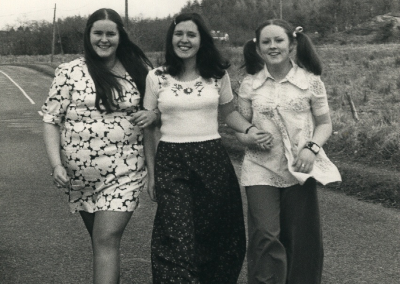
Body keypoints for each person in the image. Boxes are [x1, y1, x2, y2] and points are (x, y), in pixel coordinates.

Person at [143, 13, 270, 284]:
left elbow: (230, 114)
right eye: (179, 34)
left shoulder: (216, 75)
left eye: (191, 35)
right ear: (171, 38)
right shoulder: (156, 77)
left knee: (217, 233)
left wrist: (249, 130)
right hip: (171, 160)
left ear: (202, 40)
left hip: (211, 158)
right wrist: (152, 175)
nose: (184, 40)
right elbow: (149, 126)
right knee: (176, 236)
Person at [42, 8, 155, 284]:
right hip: (79, 178)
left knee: (106, 238)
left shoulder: (141, 72)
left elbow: (157, 120)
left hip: (124, 174)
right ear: (88, 36)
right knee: (102, 244)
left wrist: (153, 171)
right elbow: (50, 120)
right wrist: (56, 164)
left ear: (120, 36)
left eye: (110, 34)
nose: (104, 39)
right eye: (98, 33)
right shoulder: (69, 71)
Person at [236, 19, 341, 284]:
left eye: (278, 40)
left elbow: (325, 124)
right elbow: (239, 128)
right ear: (258, 48)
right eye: (266, 42)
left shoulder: (311, 82)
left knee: (300, 237)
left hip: (299, 168)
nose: (273, 46)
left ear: (291, 44)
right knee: (265, 234)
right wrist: (249, 136)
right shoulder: (249, 84)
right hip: (260, 168)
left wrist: (311, 149)